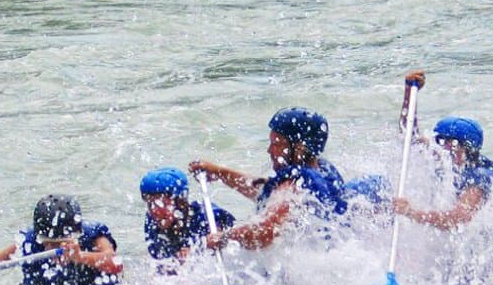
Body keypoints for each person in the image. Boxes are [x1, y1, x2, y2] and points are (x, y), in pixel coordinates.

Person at [189, 106, 347, 250]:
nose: (269, 150)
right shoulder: (322, 170)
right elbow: (265, 192)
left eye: (277, 144)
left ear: (300, 149)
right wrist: (219, 172)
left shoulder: (293, 184)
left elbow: (265, 232)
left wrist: (224, 237)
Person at [391, 70, 493, 231]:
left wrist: (411, 212)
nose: (439, 147)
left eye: (445, 142)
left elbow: (456, 220)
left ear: (461, 147)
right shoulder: (446, 157)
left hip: (492, 249)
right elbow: (408, 138)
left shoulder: (480, 178)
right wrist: (410, 94)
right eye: (439, 140)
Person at [139, 167, 236, 265]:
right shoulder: (153, 222)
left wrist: (202, 245)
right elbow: (161, 262)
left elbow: (219, 239)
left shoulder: (205, 217)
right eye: (150, 204)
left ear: (180, 202)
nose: (154, 210)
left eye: (161, 204)